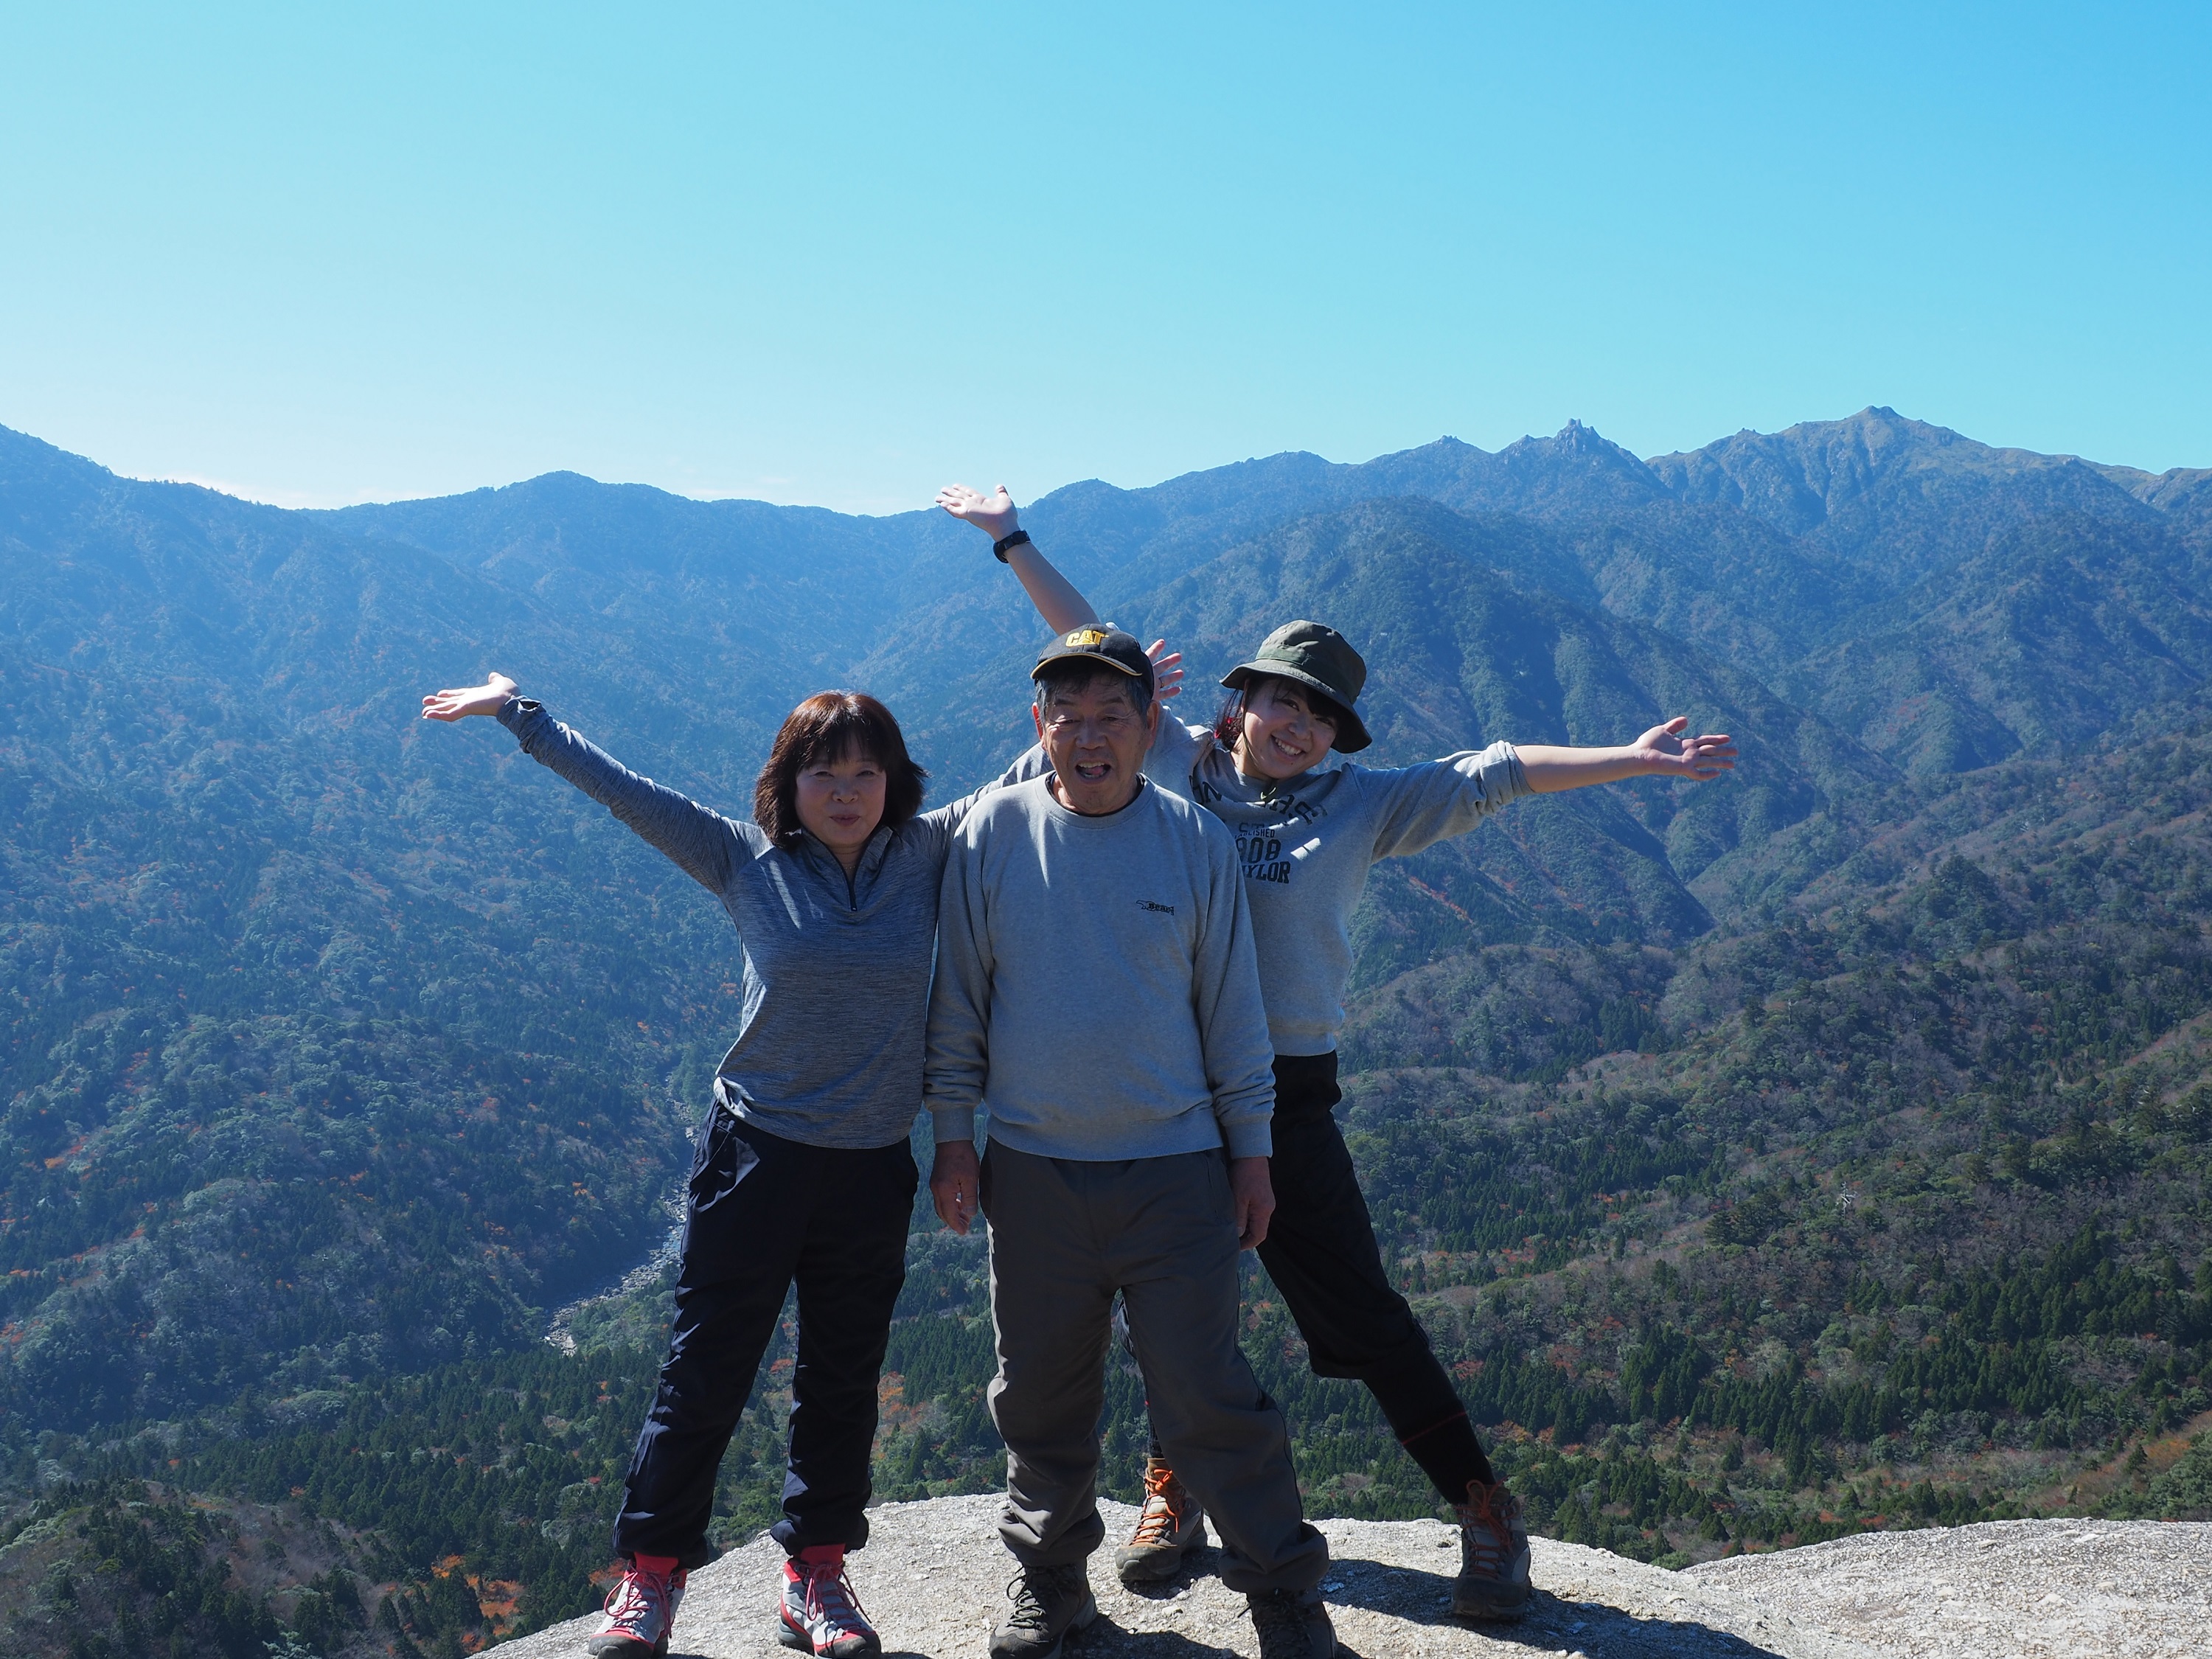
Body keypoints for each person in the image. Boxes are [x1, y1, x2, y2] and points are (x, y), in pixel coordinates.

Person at [936, 484, 1739, 1623]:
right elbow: (1090, 660)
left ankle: (1485, 1511)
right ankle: (1179, 1487)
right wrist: (1014, 543)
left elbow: (1495, 770)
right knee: (1168, 1318)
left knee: (1359, 1318)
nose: (1297, 725)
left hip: (1290, 1096)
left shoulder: (1362, 805)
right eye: (1279, 701)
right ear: (1240, 700)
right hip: (1163, 1089)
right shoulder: (1175, 766)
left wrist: (1638, 761)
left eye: (1319, 714)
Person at [420, 672, 1004, 1659]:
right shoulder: (746, 859)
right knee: (705, 1371)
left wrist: (1115, 692)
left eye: (867, 771)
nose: (849, 790)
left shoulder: (928, 851)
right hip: (756, 1156)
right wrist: (520, 712)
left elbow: (1048, 765)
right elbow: (624, 790)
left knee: (842, 1375)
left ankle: (815, 1574)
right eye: (826, 771)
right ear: (790, 780)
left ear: (897, 782)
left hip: (869, 1164)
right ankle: (648, 1581)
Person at [923, 626, 1338, 1659]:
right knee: (1039, 1392)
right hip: (1032, 1170)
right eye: (1070, 714)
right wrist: (954, 1138)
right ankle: (1052, 1580)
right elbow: (959, 1002)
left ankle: (1283, 1592)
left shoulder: (1193, 840)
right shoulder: (991, 834)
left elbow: (1233, 1014)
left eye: (1115, 715)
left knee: (1206, 1392)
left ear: (1153, 726)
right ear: (1039, 726)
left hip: (1177, 1169)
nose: (1091, 735)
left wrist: (1252, 1153)